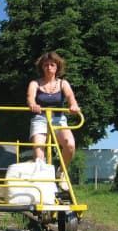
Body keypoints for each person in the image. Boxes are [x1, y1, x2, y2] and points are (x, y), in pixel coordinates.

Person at [26, 52, 80, 191]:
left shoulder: (63, 83)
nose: (49, 67)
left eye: (52, 65)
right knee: (39, 149)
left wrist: (73, 105)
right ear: (42, 67)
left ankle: (61, 172)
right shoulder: (35, 83)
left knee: (70, 145)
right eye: (46, 65)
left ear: (57, 67)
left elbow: (70, 97)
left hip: (58, 118)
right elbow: (30, 97)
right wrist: (33, 104)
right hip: (40, 118)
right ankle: (43, 182)